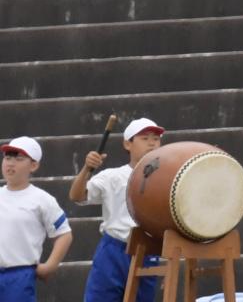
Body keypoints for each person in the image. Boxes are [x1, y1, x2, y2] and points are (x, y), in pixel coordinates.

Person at [68, 118, 162, 302]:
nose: (152, 143)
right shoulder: (113, 176)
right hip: (114, 249)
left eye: (156, 138)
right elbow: (77, 196)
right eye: (144, 138)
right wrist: (87, 168)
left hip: (148, 250)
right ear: (128, 144)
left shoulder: (167, 178)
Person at [0, 138, 70, 302]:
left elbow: (64, 234)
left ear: (33, 165)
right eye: (7, 158)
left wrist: (50, 266)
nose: (11, 164)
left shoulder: (42, 199)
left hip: (19, 275)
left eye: (19, 159)